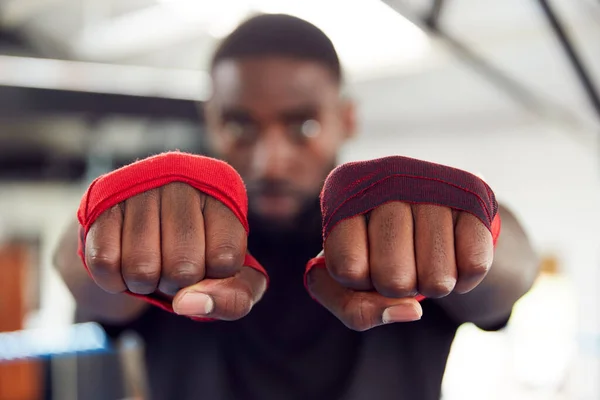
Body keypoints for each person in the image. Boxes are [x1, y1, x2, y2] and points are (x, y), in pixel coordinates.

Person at [53, 14, 538, 400]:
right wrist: (107, 221)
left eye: (302, 126)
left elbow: (514, 271)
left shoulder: (395, 226)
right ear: (211, 119)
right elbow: (80, 275)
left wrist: (476, 227)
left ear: (345, 119)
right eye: (241, 125)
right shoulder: (174, 233)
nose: (271, 160)